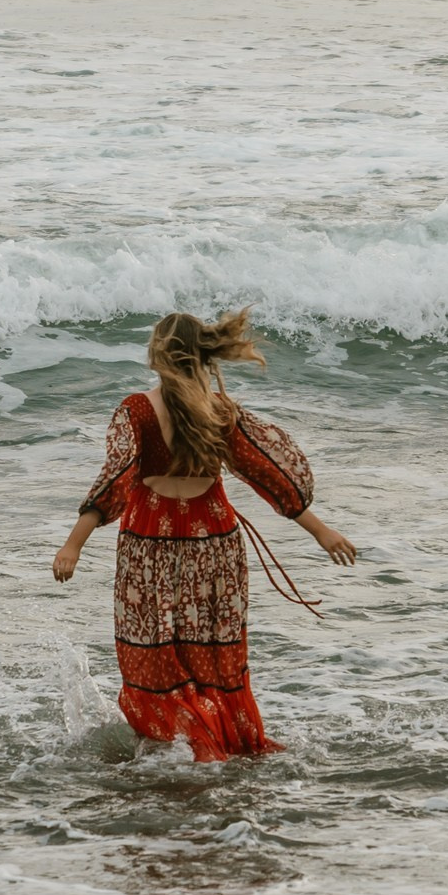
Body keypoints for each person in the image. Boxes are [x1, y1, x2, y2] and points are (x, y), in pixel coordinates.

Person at [52, 309, 357, 759]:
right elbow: (269, 473)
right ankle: (222, 743)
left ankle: (179, 748)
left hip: (149, 544)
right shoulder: (219, 411)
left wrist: (73, 544)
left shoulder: (136, 410)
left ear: (157, 354)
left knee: (153, 653)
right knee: (212, 652)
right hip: (213, 541)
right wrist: (321, 531)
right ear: (201, 354)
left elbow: (116, 478)